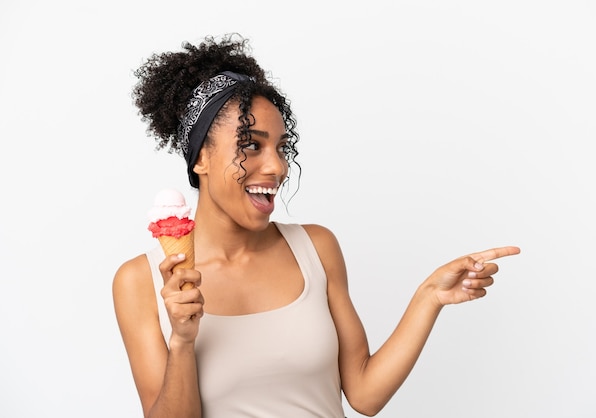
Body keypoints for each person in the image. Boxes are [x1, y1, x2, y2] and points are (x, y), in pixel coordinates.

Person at [112, 34, 520, 418]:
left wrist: (428, 297)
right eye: (251, 145)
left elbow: (363, 393)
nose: (277, 166)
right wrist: (182, 342)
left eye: (281, 147)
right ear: (200, 158)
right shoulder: (139, 282)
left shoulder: (315, 248)